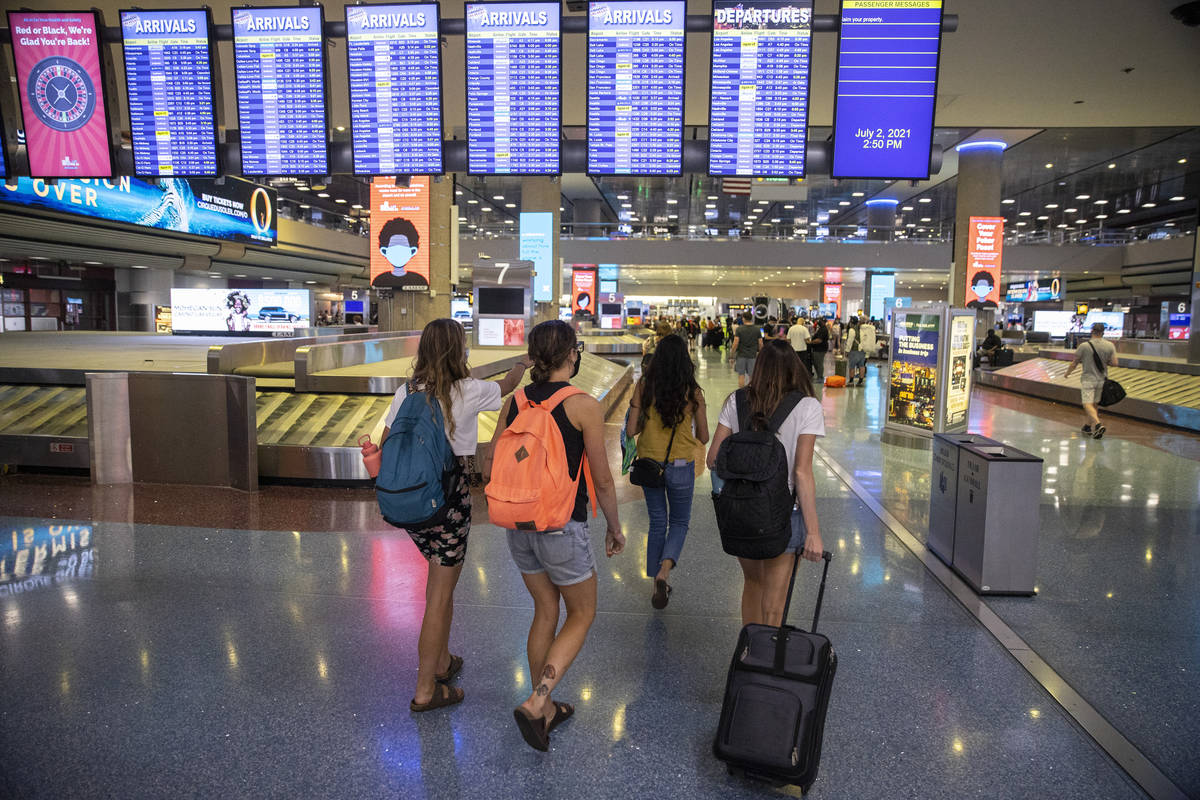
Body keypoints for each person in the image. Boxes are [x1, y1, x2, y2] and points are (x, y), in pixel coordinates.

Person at [381, 319, 529, 712]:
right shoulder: (467, 390)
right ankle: (426, 689)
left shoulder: (406, 390)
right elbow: (508, 386)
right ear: (458, 351)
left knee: (436, 584)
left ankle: (443, 660)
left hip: (412, 503)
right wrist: (521, 363)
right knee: (440, 596)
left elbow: (385, 442)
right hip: (449, 502)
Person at [491, 320, 625, 750]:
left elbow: (494, 455)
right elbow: (603, 480)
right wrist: (616, 528)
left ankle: (543, 706)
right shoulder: (583, 404)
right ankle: (538, 700)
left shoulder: (517, 400)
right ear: (571, 355)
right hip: (562, 525)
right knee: (582, 614)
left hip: (519, 523)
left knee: (545, 611)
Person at [707, 340, 825, 626]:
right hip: (783, 513)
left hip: (742, 510)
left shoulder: (736, 400)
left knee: (753, 583)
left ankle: (747, 654)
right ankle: (765, 663)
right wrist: (814, 532)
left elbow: (713, 459)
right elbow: (802, 473)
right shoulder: (807, 406)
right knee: (775, 602)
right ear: (795, 370)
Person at [625, 334, 709, 609]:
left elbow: (631, 430)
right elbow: (705, 436)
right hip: (682, 465)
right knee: (680, 522)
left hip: (650, 464)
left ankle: (656, 582)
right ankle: (664, 571)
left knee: (658, 522)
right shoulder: (693, 391)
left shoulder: (645, 385)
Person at [1064, 322, 1118, 439]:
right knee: (1094, 404)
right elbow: (1114, 363)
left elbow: (1075, 362)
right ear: (1103, 332)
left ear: (1092, 331)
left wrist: (1067, 373)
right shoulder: (1110, 345)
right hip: (1102, 379)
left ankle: (1098, 425)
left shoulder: (1084, 346)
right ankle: (1087, 427)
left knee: (1087, 403)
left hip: (1088, 379)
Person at [374, 217, 429, 289]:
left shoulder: (420, 280)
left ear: (413, 251)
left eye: (403, 245)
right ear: (384, 251)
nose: (398, 251)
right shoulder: (379, 280)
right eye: (394, 245)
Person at [730, 311, 763, 388]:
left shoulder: (739, 329)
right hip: (752, 356)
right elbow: (760, 343)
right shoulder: (757, 329)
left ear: (743, 318)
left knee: (741, 376)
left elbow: (735, 343)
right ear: (751, 319)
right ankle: (751, 394)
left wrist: (731, 355)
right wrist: (761, 353)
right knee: (752, 376)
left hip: (741, 355)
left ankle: (741, 394)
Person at [844, 316, 874, 386]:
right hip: (863, 351)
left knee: (852, 366)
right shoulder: (863, 330)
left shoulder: (852, 330)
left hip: (854, 351)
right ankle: (860, 381)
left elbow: (850, 341)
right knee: (862, 365)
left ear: (851, 322)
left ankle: (851, 381)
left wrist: (847, 350)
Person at [809, 318, 830, 382]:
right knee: (816, 362)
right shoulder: (821, 328)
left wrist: (810, 342)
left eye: (819, 321)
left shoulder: (823, 329)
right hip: (817, 348)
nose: (818, 322)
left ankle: (820, 377)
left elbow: (819, 340)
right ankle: (819, 376)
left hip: (820, 349)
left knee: (819, 363)